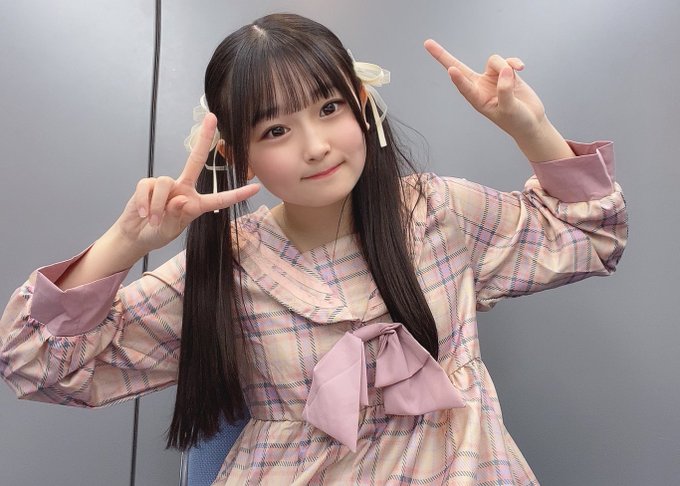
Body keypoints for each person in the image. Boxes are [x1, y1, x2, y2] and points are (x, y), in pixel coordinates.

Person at [0, 12, 627, 485]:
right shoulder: (227, 267)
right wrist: (123, 243)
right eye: (276, 129)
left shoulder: (437, 212)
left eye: (329, 108)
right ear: (236, 155)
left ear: (363, 107)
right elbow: (37, 362)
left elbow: (589, 235)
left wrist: (529, 127)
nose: (316, 145)